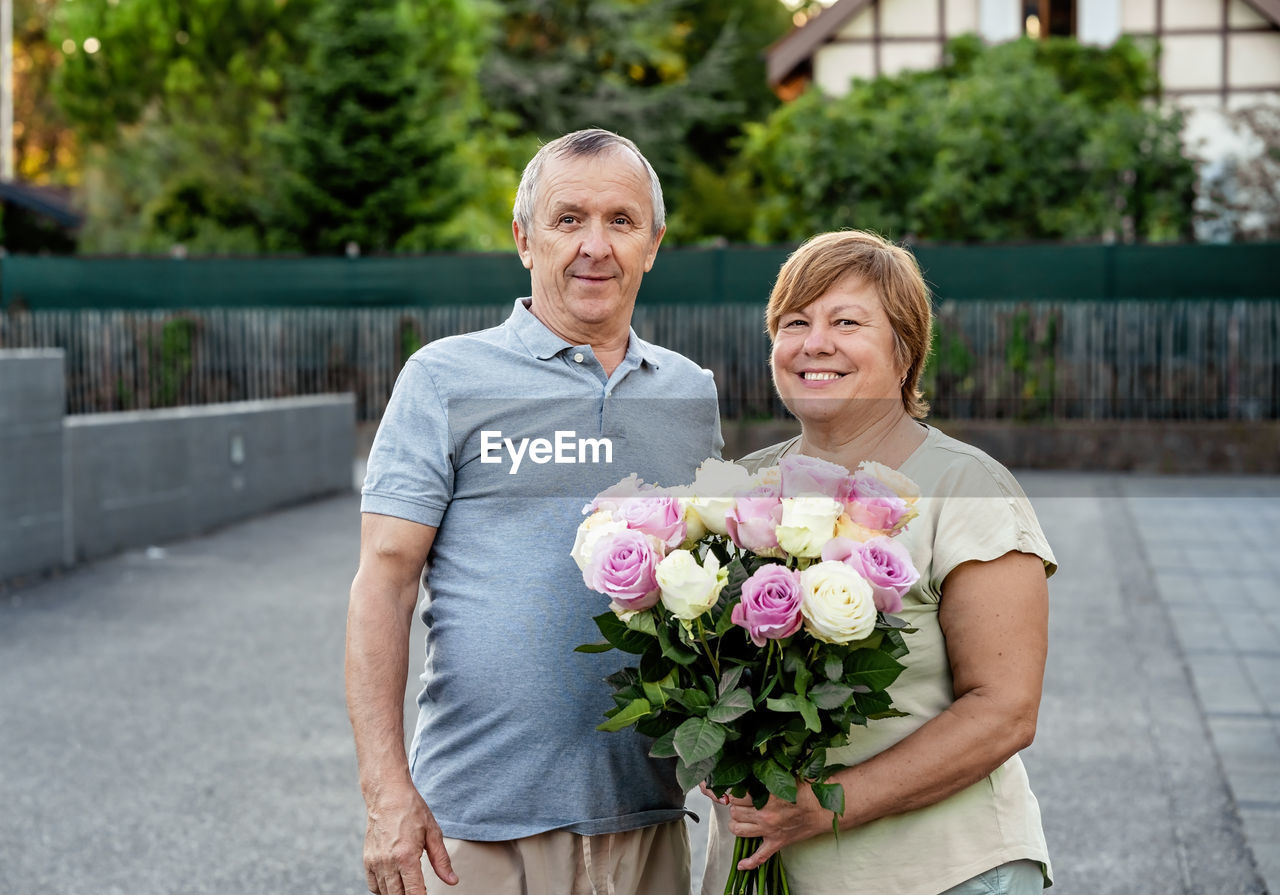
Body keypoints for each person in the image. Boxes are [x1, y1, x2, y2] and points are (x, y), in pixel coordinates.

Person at [347, 129, 723, 895]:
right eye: (568, 219)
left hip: (649, 817)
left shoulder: (689, 393)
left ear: (653, 244)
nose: (595, 245)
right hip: (479, 828)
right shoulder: (445, 378)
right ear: (524, 239)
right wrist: (387, 792)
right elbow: (382, 585)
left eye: (621, 221)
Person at [700, 230, 1056, 895]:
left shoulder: (963, 486)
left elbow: (1006, 708)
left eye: (846, 322)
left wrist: (825, 805)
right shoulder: (738, 492)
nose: (815, 342)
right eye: (795, 321)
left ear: (905, 350)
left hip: (946, 874)